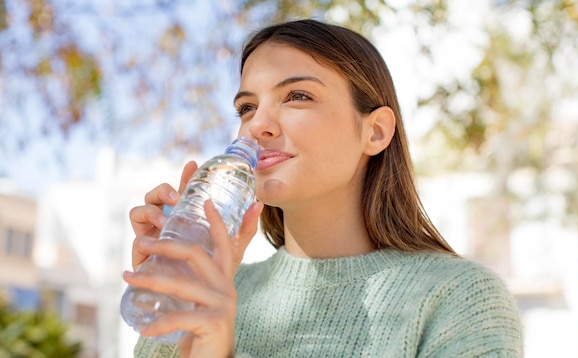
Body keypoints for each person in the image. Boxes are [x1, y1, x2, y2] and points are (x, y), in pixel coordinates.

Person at [123, 19, 524, 357]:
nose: (257, 125)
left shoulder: (459, 296)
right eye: (246, 107)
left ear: (375, 132)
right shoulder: (217, 289)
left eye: (297, 96)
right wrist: (176, 305)